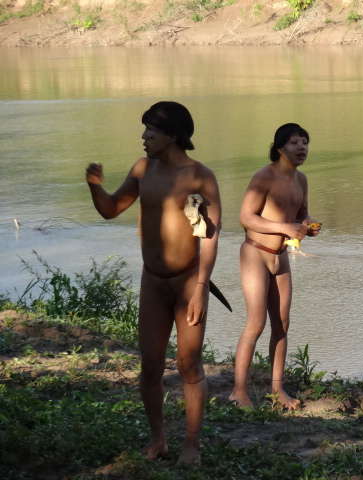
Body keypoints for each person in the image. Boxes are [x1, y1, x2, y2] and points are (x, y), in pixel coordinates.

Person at [85, 101, 221, 465]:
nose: (144, 137)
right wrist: (95, 186)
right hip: (153, 280)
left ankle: (191, 444)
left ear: (172, 135)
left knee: (188, 364)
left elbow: (208, 235)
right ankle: (158, 439)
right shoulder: (143, 169)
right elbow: (111, 209)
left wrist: (201, 287)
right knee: (150, 363)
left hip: (188, 280)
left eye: (151, 131)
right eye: (145, 130)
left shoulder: (198, 176)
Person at [229, 123, 321, 410]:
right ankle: (238, 392)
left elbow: (301, 213)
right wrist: (285, 227)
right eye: (295, 142)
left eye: (305, 142)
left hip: (280, 256)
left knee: (282, 323)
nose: (302, 147)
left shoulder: (301, 179)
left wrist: (307, 224)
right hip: (255, 254)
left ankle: (277, 389)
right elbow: (246, 217)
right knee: (256, 322)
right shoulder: (264, 176)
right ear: (280, 148)